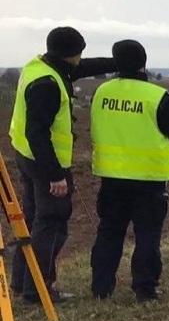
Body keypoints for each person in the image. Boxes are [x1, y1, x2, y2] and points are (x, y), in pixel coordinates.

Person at [7, 26, 120, 302]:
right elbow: (37, 132)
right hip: (45, 162)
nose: (81, 59)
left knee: (33, 220)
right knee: (52, 222)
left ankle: (23, 283)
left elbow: (83, 68)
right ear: (71, 53)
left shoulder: (41, 66)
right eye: (79, 53)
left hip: (25, 156)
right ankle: (39, 289)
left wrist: (120, 62)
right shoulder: (47, 84)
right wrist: (55, 175)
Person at [88, 40, 169, 302]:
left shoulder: (101, 92)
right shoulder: (156, 96)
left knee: (109, 231)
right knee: (148, 234)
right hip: (149, 179)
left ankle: (101, 288)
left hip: (111, 176)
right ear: (144, 62)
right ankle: (145, 289)